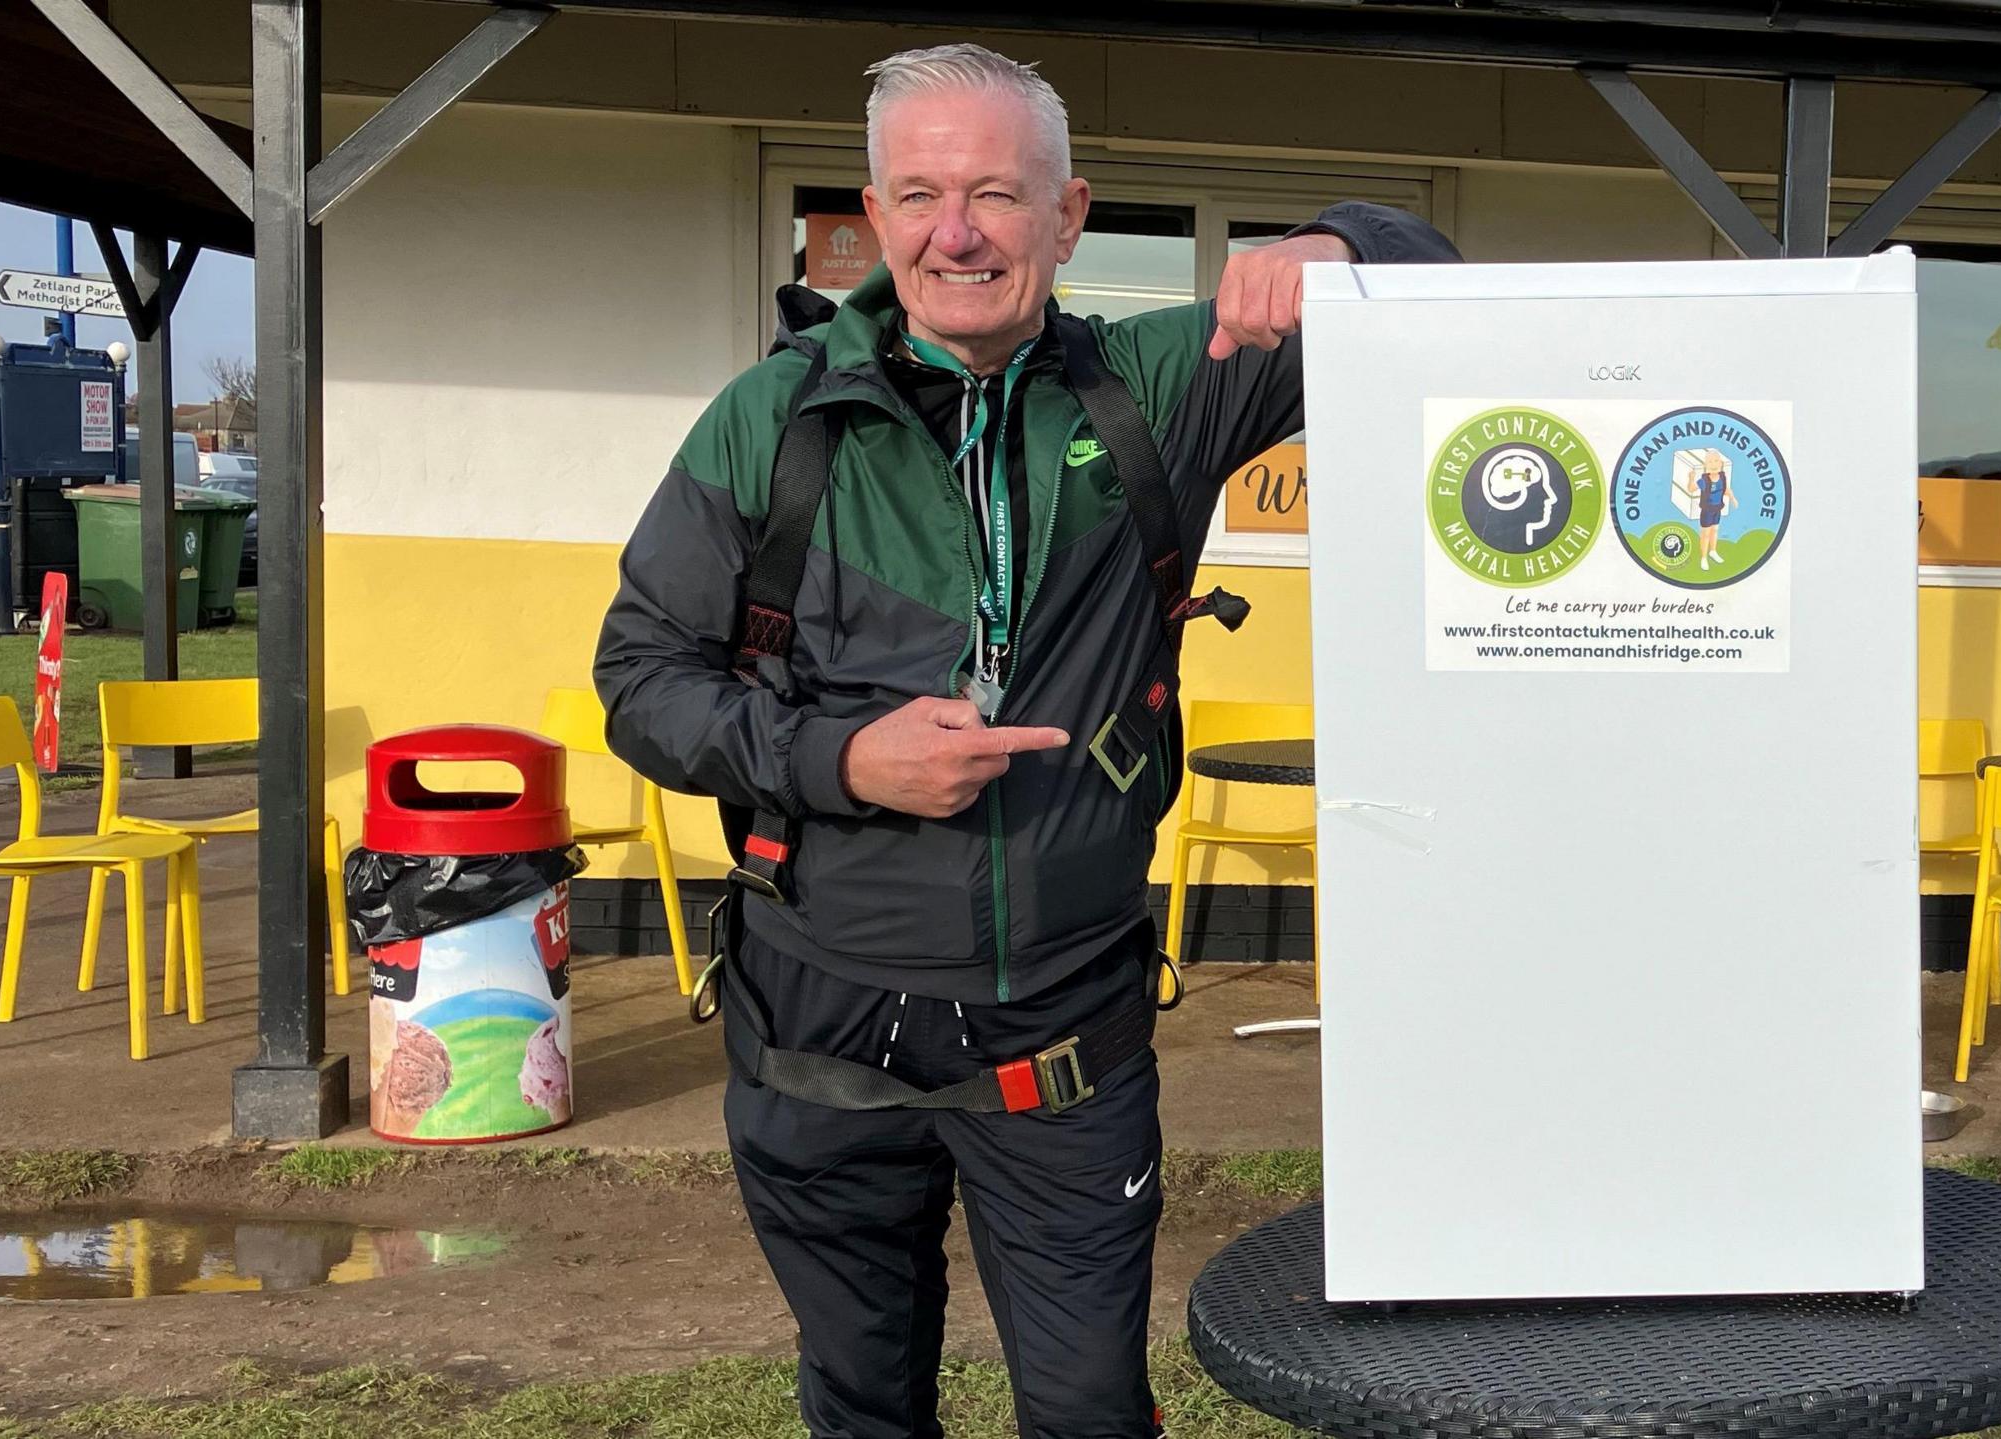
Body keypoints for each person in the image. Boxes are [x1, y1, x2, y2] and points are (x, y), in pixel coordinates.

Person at [593, 43, 1457, 1439]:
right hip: (813, 1022)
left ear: (1069, 218)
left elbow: (1446, 290)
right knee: (865, 1401)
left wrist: (1334, 243)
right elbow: (640, 679)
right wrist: (843, 761)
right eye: (922, 193)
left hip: (1063, 1034)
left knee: (1089, 1411)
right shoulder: (772, 422)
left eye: (998, 193)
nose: (958, 231)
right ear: (875, 215)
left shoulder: (1167, 382)